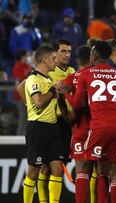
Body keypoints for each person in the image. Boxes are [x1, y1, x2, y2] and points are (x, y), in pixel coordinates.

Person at [63, 41, 116, 203]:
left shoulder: (87, 74)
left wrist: (66, 93)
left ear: (94, 55)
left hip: (98, 127)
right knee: (113, 173)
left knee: (84, 166)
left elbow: (77, 105)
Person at [22, 46, 64, 203]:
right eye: (53, 58)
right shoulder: (33, 78)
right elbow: (39, 102)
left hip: (52, 127)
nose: (56, 61)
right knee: (34, 170)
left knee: (57, 169)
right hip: (37, 127)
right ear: (45, 59)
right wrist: (53, 91)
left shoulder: (47, 79)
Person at [36, 38, 75, 203]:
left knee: (56, 166)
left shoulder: (73, 71)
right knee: (48, 166)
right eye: (63, 51)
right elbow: (23, 87)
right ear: (54, 54)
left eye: (69, 51)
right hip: (52, 123)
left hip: (67, 124)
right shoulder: (48, 73)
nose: (67, 55)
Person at [59, 45, 92, 203]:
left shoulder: (71, 78)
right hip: (97, 128)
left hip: (79, 128)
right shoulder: (96, 75)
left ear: (77, 60)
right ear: (92, 58)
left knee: (81, 171)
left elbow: (61, 98)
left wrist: (68, 116)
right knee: (101, 171)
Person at [11, 49, 32, 135]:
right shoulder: (17, 67)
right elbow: (19, 84)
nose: (28, 57)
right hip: (19, 97)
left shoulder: (27, 66)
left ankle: (25, 136)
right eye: (26, 56)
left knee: (27, 117)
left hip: (28, 96)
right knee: (23, 117)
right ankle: (19, 137)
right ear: (22, 57)